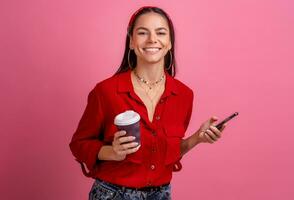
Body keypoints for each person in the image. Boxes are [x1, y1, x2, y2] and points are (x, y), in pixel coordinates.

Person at [69, 6, 226, 200]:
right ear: (132, 43)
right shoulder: (106, 91)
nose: (152, 39)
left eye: (160, 32)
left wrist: (197, 139)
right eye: (143, 33)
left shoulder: (184, 95)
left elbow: (168, 154)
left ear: (169, 43)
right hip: (113, 194)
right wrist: (112, 152)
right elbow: (79, 144)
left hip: (161, 194)